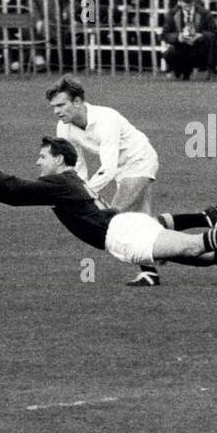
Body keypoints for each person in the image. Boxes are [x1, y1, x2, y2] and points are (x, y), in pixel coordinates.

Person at [0, 139, 217, 297]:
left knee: (193, 248)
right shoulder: (65, 181)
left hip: (122, 233)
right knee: (202, 260)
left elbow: (14, 188)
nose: (38, 162)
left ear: (59, 159)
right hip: (123, 230)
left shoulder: (59, 181)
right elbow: (13, 197)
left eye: (43, 156)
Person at [46, 76, 164, 288]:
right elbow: (77, 165)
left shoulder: (105, 119)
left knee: (115, 219)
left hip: (139, 161)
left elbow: (107, 168)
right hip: (120, 170)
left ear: (78, 102)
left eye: (61, 105)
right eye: (53, 106)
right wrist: (76, 189)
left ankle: (152, 271)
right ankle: (207, 218)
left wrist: (86, 193)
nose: (56, 111)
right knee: (143, 221)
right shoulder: (63, 128)